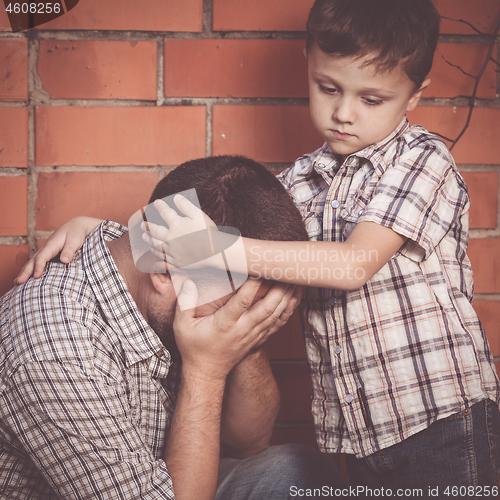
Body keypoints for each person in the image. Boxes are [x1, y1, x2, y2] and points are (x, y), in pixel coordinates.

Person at [15, 0, 500, 495]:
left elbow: (353, 263)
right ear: (308, 59)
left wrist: (217, 250)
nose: (343, 113)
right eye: (328, 88)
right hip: (363, 433)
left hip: (443, 415)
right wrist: (105, 230)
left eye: (372, 100)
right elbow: (222, 216)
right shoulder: (303, 179)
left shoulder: (422, 161)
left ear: (415, 96)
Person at [1, 155, 342, 500]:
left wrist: (246, 341)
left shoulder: (162, 254)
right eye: (235, 304)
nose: (240, 317)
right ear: (164, 273)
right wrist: (205, 371)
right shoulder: (56, 350)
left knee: (297, 472)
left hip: (168, 480)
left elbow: (247, 445)